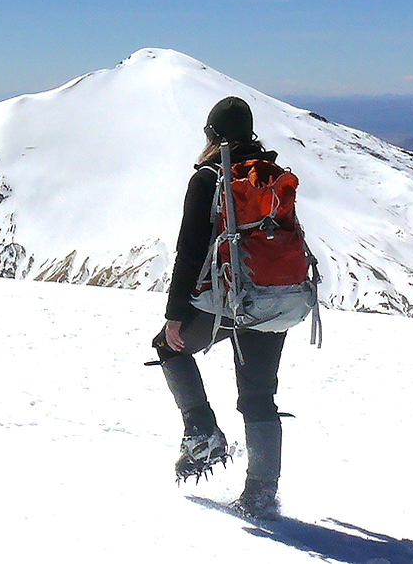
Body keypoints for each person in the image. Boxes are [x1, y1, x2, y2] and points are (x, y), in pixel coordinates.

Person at [153, 95, 288, 519]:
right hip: (272, 297)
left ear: (212, 135)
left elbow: (189, 251)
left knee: (169, 346)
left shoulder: (209, 177)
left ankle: (202, 434)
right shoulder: (272, 173)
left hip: (224, 298)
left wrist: (175, 314)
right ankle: (262, 494)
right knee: (259, 397)